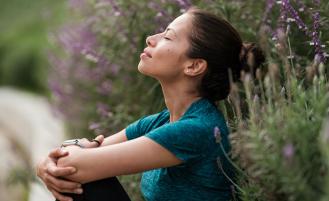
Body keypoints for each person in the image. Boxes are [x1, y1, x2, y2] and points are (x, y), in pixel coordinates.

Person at [36, 7, 265, 201]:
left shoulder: (197, 129)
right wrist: (46, 163)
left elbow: (75, 164)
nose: (151, 38)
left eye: (167, 37)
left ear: (194, 66)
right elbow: (82, 154)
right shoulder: (163, 121)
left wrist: (55, 161)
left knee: (76, 175)